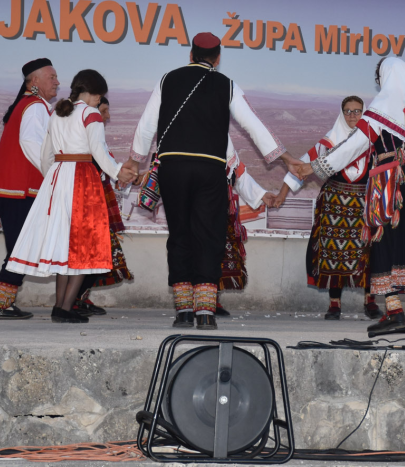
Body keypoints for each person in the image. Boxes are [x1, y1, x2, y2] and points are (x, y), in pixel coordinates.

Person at [126, 32, 299, 330]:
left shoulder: (167, 79)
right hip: (210, 169)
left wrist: (134, 160)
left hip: (173, 167)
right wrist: (285, 158)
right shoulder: (226, 84)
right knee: (208, 236)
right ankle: (205, 313)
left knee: (179, 234)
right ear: (218, 59)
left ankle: (182, 313)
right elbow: (254, 126)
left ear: (190, 55)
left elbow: (146, 125)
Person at [292, 57, 405, 336]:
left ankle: (393, 311)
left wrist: (314, 167)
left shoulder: (382, 105)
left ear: (384, 78)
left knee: (383, 243)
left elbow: (356, 144)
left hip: (392, 180)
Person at [5, 69, 137, 323]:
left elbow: (46, 155)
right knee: (83, 245)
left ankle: (59, 306)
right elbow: (99, 152)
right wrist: (119, 173)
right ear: (95, 93)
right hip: (82, 179)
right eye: (101, 96)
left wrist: (53, 179)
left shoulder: (58, 112)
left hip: (58, 177)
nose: (100, 101)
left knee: (63, 244)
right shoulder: (91, 114)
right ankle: (65, 308)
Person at [278, 95, 382, 320]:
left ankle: (370, 300)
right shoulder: (328, 142)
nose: (353, 115)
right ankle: (334, 303)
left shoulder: (374, 142)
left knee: (368, 252)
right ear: (341, 113)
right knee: (334, 252)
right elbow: (300, 167)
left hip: (365, 206)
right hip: (334, 205)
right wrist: (281, 194)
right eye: (348, 111)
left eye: (357, 111)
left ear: (363, 114)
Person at [0, 58, 59, 320]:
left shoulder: (28, 105)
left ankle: (2, 303)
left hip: (13, 189)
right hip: (19, 190)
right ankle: (0, 304)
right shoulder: (35, 106)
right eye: (52, 77)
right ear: (34, 81)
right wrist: (53, 173)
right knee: (21, 249)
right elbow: (32, 143)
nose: (57, 82)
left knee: (21, 248)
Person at [72, 96, 134, 318]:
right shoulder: (88, 139)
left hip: (97, 199)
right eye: (104, 111)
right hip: (89, 202)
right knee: (94, 253)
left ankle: (79, 298)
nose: (107, 117)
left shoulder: (97, 138)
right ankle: (72, 301)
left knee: (98, 254)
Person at [217, 137, 278, 312]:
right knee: (195, 251)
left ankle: (211, 299)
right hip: (196, 207)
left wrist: (261, 195)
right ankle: (193, 303)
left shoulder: (225, 143)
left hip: (221, 208)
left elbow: (238, 174)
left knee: (218, 252)